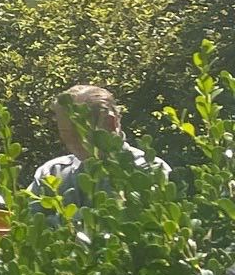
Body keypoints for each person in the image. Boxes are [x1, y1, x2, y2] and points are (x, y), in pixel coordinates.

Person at [28, 83, 168, 197]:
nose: (70, 143)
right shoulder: (52, 173)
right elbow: (24, 224)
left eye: (76, 134)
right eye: (65, 133)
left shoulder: (152, 172)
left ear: (111, 123)